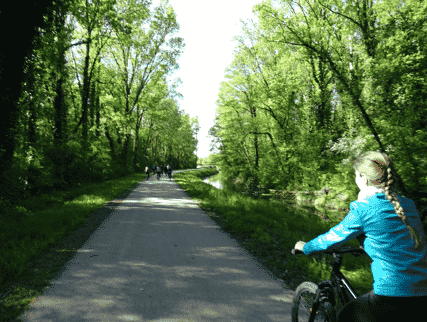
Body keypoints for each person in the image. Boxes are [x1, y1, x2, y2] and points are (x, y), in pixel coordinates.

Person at [293, 151, 427, 322]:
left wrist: (305, 247)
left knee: (346, 316)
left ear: (363, 177)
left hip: (392, 293)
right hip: (424, 293)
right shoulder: (409, 205)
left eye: (355, 175)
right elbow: (401, 241)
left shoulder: (364, 207)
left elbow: (332, 238)